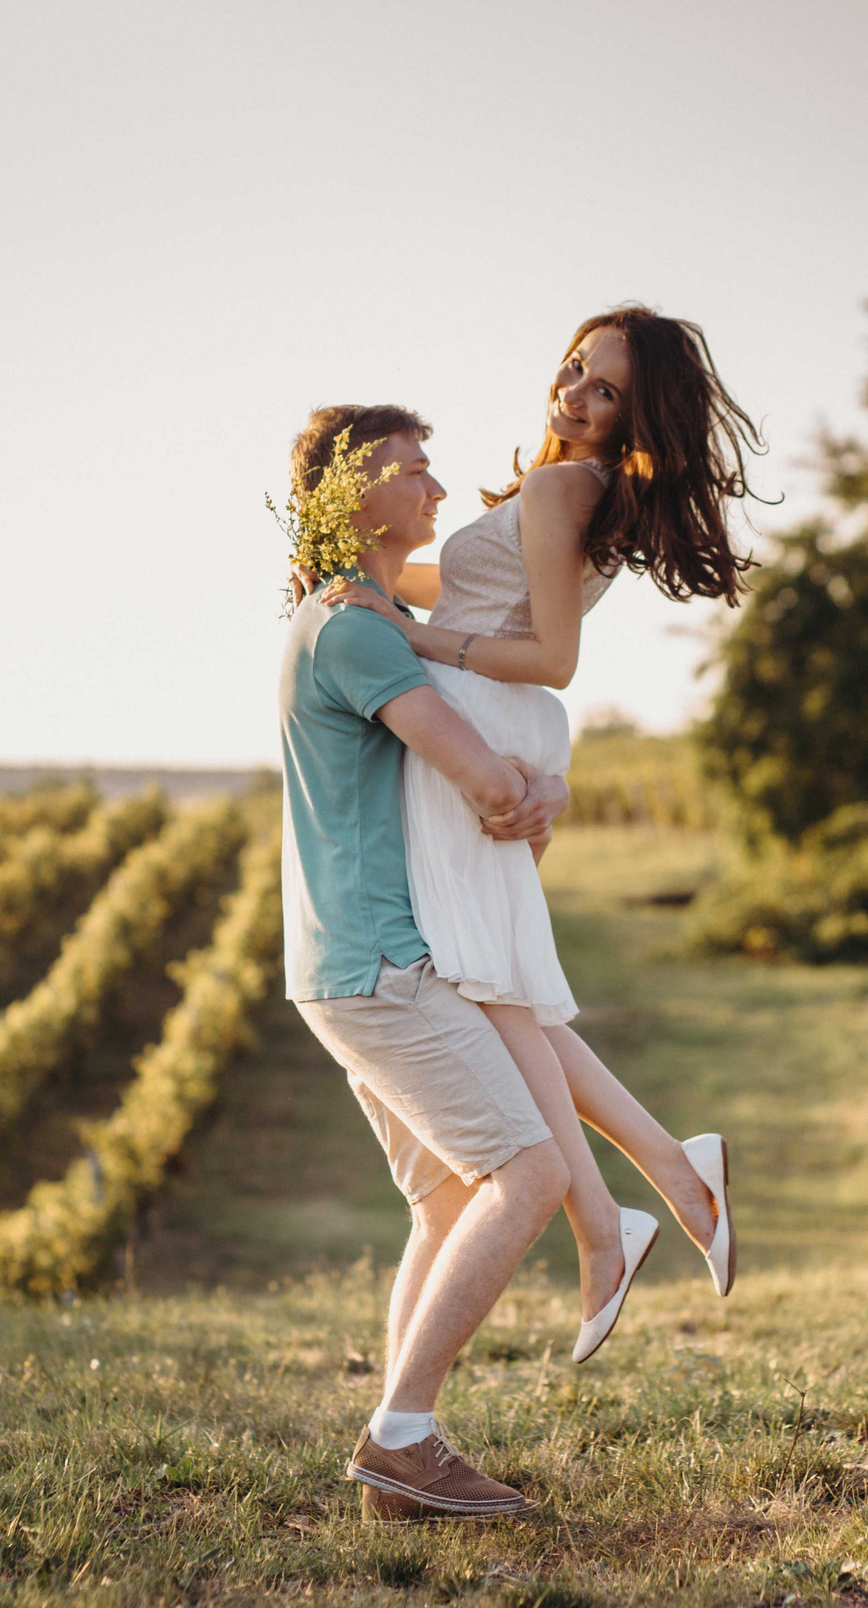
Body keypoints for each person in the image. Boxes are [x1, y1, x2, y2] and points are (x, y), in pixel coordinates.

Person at [318, 306, 763, 1350]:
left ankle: (609, 1221)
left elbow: (551, 656)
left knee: (492, 985)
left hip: (483, 718)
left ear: (636, 413)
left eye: (606, 389)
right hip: (491, 718)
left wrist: (406, 634)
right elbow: (464, 588)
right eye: (574, 369)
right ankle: (666, 1179)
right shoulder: (562, 486)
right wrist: (358, 582)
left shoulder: (570, 488)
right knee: (498, 984)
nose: (574, 393)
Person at [279, 403, 591, 1521]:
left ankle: (397, 1452)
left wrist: (535, 786)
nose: (437, 491)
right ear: (350, 493)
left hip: (342, 965)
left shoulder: (345, 616)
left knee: (450, 1199)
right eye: (411, 470)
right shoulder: (358, 629)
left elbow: (498, 783)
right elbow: (485, 780)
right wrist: (534, 787)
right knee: (533, 1174)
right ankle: (402, 1438)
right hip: (383, 965)